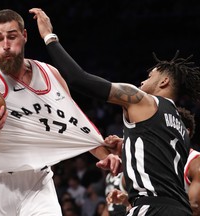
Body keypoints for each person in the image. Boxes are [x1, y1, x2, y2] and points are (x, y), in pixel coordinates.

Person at [0, 9, 121, 215]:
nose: (6, 45)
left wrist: (104, 153)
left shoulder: (50, 74)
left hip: (37, 181)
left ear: (24, 36)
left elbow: (74, 126)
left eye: (12, 36)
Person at [31, 7, 200, 216]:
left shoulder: (142, 100)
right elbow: (158, 168)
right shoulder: (180, 128)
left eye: (150, 76)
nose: (142, 81)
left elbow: (78, 78)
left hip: (152, 208)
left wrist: (49, 36)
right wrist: (128, 149)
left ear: (164, 81)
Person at [105, 107, 200, 216]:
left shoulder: (196, 161)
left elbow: (195, 207)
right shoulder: (156, 160)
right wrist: (128, 200)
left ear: (185, 132)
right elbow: (159, 202)